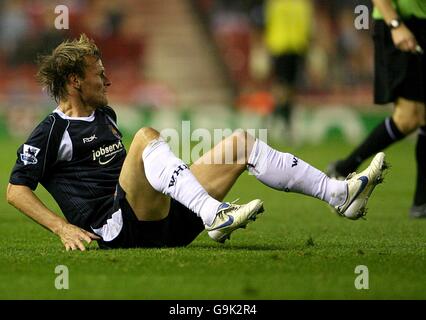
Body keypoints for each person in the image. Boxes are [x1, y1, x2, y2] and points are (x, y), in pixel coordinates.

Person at [7, 34, 387, 251]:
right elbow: (15, 190)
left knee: (241, 143)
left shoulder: (105, 115)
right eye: (98, 75)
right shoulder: (52, 132)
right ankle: (214, 214)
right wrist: (61, 228)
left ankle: (339, 195)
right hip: (117, 229)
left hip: (162, 221)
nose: (106, 82)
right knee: (145, 138)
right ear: (74, 81)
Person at [327, 0, 425, 218]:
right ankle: (345, 166)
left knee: (415, 117)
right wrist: (395, 23)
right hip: (403, 24)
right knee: (408, 117)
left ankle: (421, 203)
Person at [263, 0, 312, 137]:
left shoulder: (276, 3)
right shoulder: (301, 4)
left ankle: (278, 119)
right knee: (283, 86)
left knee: (287, 87)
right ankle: (281, 120)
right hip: (282, 47)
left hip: (291, 46)